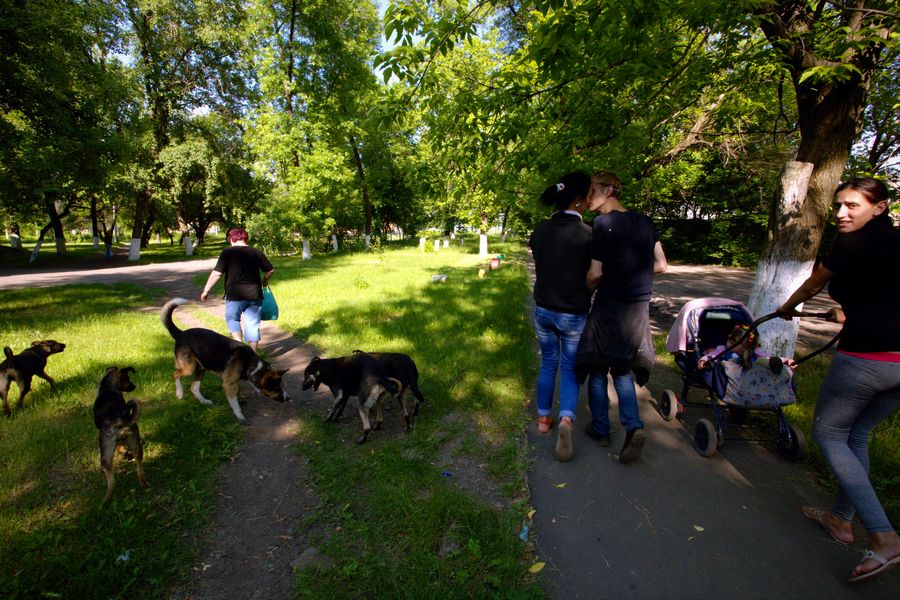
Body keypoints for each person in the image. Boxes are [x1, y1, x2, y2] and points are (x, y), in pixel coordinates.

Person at [777, 177, 900, 582]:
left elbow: (814, 283)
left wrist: (787, 307)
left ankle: (883, 536)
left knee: (829, 433)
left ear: (880, 207)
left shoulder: (850, 244)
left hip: (867, 357)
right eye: (838, 206)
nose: (842, 214)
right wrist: (849, 312)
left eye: (852, 206)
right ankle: (840, 519)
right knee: (857, 434)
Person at [576, 170, 667, 463]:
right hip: (637, 309)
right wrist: (632, 272)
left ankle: (601, 428)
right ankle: (633, 426)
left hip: (609, 307)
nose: (588, 198)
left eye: (592, 191)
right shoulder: (646, 222)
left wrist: (584, 293)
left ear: (609, 190)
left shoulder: (603, 224)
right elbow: (662, 265)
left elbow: (595, 274)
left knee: (597, 368)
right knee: (622, 370)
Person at [528, 172, 593, 462]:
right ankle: (566, 419)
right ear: (577, 200)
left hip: (544, 309)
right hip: (573, 313)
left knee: (548, 363)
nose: (589, 202)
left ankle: (544, 419)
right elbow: (594, 274)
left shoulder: (540, 230)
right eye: (587, 196)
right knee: (569, 367)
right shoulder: (588, 234)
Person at [200, 227, 274, 352]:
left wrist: (206, 290)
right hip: (254, 295)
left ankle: (239, 348)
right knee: (252, 324)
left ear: (231, 239)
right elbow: (270, 270)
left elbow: (217, 274)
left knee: (233, 319)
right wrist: (264, 282)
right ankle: (252, 354)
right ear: (246, 238)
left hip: (234, 295)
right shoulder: (256, 252)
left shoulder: (227, 252)